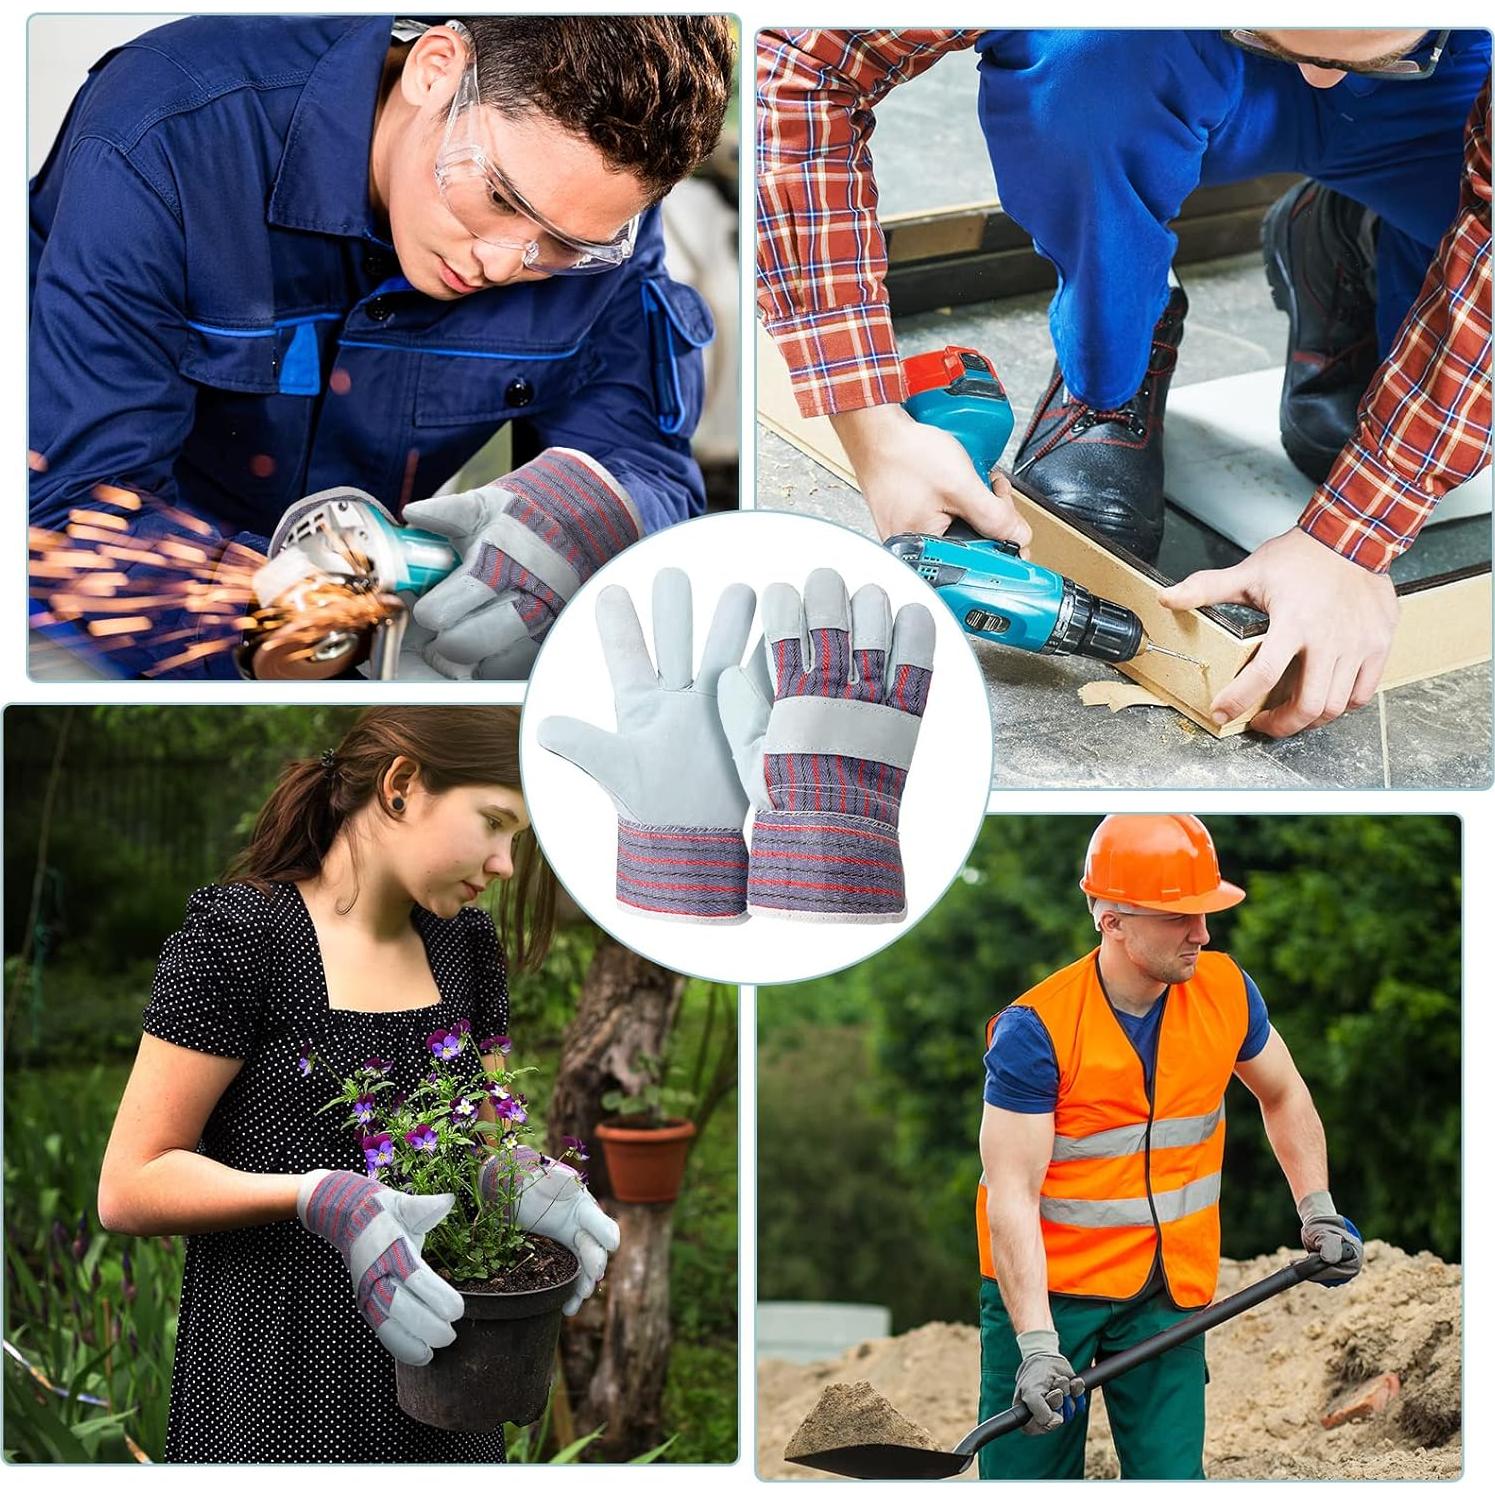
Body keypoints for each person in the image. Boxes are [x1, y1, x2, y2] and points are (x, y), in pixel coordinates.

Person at [757, 29, 1491, 735]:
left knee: (1453, 415)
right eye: (1268, 33)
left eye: (1393, 49)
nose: (1321, 76)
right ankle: (1116, 348)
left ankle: (1353, 244)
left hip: (1448, 108)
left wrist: (1348, 541)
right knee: (1089, 64)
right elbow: (802, 63)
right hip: (1163, 64)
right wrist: (872, 427)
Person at [30, 15, 735, 679]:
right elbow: (69, 512)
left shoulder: (600, 220)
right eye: (498, 197)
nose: (502, 260)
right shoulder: (167, 134)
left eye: (563, 244)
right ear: (435, 71)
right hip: (93, 625)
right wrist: (264, 619)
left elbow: (647, 467)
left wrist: (584, 519)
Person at [97, 707, 616, 1461]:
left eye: (518, 840)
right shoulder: (242, 938)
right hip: (277, 1385)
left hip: (446, 1370)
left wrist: (511, 1176)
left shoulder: (465, 946)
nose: (505, 864)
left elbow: (481, 1140)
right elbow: (129, 1183)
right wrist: (318, 1197)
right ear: (402, 785)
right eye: (494, 822)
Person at [975, 814, 1362, 1479]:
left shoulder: (1224, 990)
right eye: (1177, 916)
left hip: (1168, 1293)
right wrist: (1036, 1344)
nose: (1201, 932)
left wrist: (1317, 1207)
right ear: (1112, 919)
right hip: (1048, 1295)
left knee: (1171, 1479)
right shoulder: (1034, 1030)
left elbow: (1284, 1093)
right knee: (1025, 1480)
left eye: (1204, 912)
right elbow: (1010, 1191)